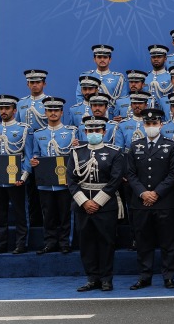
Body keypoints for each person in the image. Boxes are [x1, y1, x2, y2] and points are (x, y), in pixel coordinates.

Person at [126, 108, 174, 290]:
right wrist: (143, 193)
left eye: (154, 124)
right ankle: (144, 276)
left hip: (164, 202)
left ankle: (169, 276)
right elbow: (131, 174)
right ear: (143, 125)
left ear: (161, 124)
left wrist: (156, 193)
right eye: (148, 124)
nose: (151, 127)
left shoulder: (171, 146)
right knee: (143, 242)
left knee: (168, 242)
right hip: (141, 202)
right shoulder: (135, 146)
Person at [68, 116, 125, 292]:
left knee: (106, 242)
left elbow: (115, 180)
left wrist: (97, 202)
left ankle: (106, 279)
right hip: (83, 205)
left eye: (97, 131)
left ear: (104, 132)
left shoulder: (115, 152)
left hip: (105, 205)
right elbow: (71, 180)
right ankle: (92, 278)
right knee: (86, 243)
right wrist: (85, 202)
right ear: (85, 132)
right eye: (90, 131)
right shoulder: (77, 153)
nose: (94, 133)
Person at [0, 94, 33, 255]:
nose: (3, 111)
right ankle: (0, 244)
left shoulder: (23, 129)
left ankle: (21, 244)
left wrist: (23, 177)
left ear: (14, 110)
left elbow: (28, 155)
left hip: (16, 178)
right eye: (1, 108)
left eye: (7, 108)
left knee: (20, 213)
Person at [30, 96, 77, 255]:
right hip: (45, 181)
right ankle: (50, 242)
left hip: (64, 181)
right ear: (45, 112)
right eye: (50, 110)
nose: (53, 113)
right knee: (48, 214)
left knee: (65, 214)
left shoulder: (71, 132)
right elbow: (36, 154)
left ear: (61, 112)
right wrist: (34, 160)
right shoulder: (38, 134)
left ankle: (65, 243)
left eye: (56, 110)